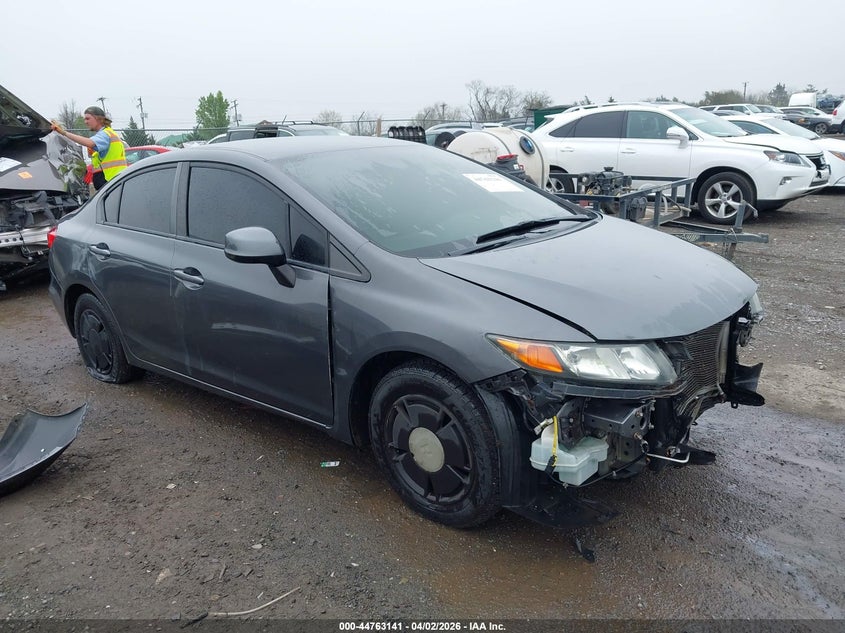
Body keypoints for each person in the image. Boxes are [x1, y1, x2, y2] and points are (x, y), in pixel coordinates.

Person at [51, 106, 127, 191]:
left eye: (88, 118)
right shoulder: (109, 133)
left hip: (111, 182)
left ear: (99, 119)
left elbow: (89, 142)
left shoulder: (105, 135)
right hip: (114, 181)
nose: (85, 122)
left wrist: (63, 132)